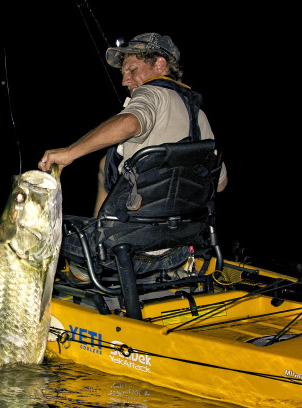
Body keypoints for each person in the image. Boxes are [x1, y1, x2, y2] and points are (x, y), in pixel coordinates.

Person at [39, 32, 227, 278]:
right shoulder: (199, 116)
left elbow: (130, 123)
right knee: (108, 164)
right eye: (123, 73)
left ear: (160, 64)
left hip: (129, 249)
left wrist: (70, 153)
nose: (125, 81)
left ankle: (93, 260)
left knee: (47, 238)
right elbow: (219, 185)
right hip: (179, 248)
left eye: (132, 70)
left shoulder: (150, 94)